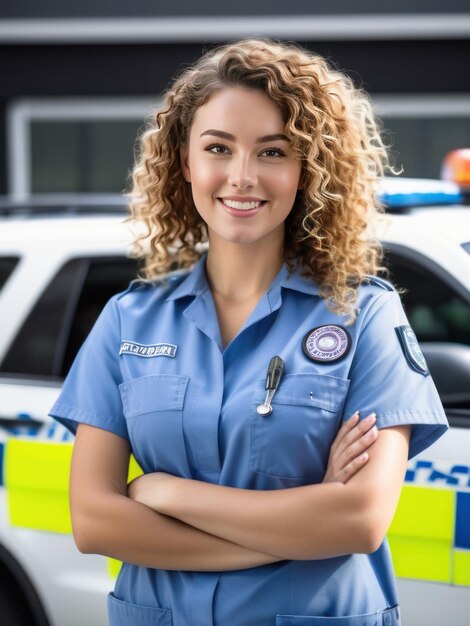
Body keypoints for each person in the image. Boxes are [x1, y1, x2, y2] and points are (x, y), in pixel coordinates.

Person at [49, 38, 448, 626]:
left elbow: (359, 521)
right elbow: (94, 523)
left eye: (272, 151)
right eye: (218, 148)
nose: (242, 177)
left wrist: (166, 492)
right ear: (186, 162)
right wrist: (293, 532)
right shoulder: (127, 321)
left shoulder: (364, 315)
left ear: (306, 168)